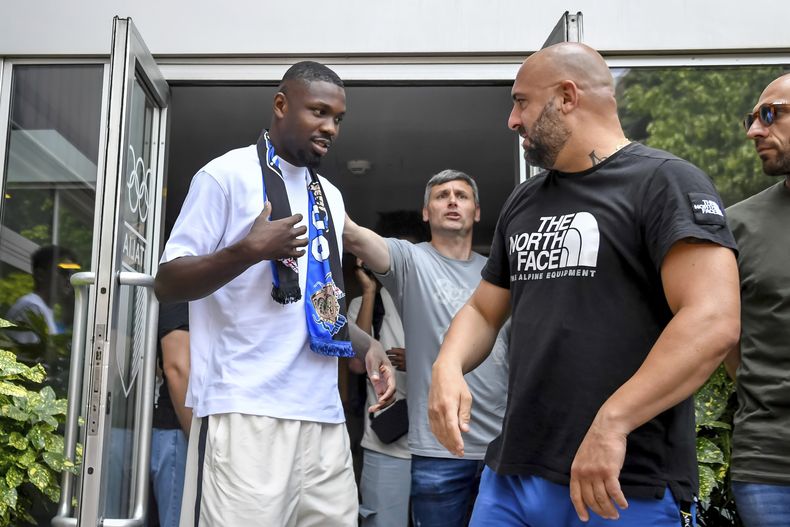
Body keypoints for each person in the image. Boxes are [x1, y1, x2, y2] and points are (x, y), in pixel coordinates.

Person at [428, 42, 740, 527]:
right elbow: (485, 310)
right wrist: (447, 366)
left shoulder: (666, 182)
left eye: (521, 101)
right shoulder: (523, 200)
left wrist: (613, 423)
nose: (513, 120)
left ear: (567, 97)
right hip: (512, 476)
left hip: (619, 484)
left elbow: (713, 320)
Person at [154, 61, 395, 527]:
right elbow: (168, 282)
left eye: (338, 118)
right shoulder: (223, 176)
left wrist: (368, 347)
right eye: (320, 112)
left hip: (322, 416)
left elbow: (317, 306)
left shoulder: (330, 195)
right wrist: (247, 250)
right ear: (281, 105)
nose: (331, 127)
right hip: (246, 412)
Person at [344, 169, 509, 527]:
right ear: (426, 212)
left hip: (500, 448)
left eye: (462, 196)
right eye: (441, 195)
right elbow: (354, 237)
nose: (452, 201)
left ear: (477, 212)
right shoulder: (410, 260)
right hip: (439, 451)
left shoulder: (499, 274)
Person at [725, 73, 790, 527]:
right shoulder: (737, 225)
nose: (754, 131)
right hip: (768, 464)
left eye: (770, 115)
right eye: (753, 117)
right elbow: (726, 336)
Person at [348, 259, 411, 527]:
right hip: (386, 443)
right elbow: (356, 365)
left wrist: (420, 361)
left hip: (440, 447)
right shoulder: (363, 304)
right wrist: (369, 292)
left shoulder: (434, 297)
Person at [149, 302, 190, 527]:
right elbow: (176, 369)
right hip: (180, 431)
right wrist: (201, 444)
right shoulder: (183, 287)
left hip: (181, 431)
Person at [6, 245, 78, 344]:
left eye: (71, 274)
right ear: (41, 275)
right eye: (64, 272)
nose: (69, 279)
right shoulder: (31, 308)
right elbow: (28, 357)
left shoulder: (43, 309)